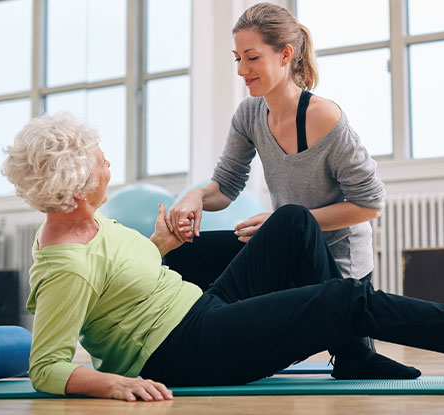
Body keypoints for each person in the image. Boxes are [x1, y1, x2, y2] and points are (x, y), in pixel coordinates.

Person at [2, 112, 444, 402]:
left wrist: (160, 247)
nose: (108, 167)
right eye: (99, 163)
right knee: (341, 296)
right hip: (182, 352)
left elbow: (120, 279)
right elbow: (46, 367)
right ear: (75, 186)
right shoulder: (65, 264)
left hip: (198, 310)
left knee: (290, 222)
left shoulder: (91, 221)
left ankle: (352, 354)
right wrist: (111, 383)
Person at [165, 2, 402, 379]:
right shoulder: (250, 114)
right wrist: (193, 196)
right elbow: (225, 187)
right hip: (283, 250)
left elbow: (370, 204)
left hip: (335, 265)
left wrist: (284, 223)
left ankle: (351, 344)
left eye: (253, 58)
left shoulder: (324, 117)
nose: (242, 70)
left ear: (286, 54)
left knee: (289, 224)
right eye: (237, 58)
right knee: (179, 256)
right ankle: (195, 338)